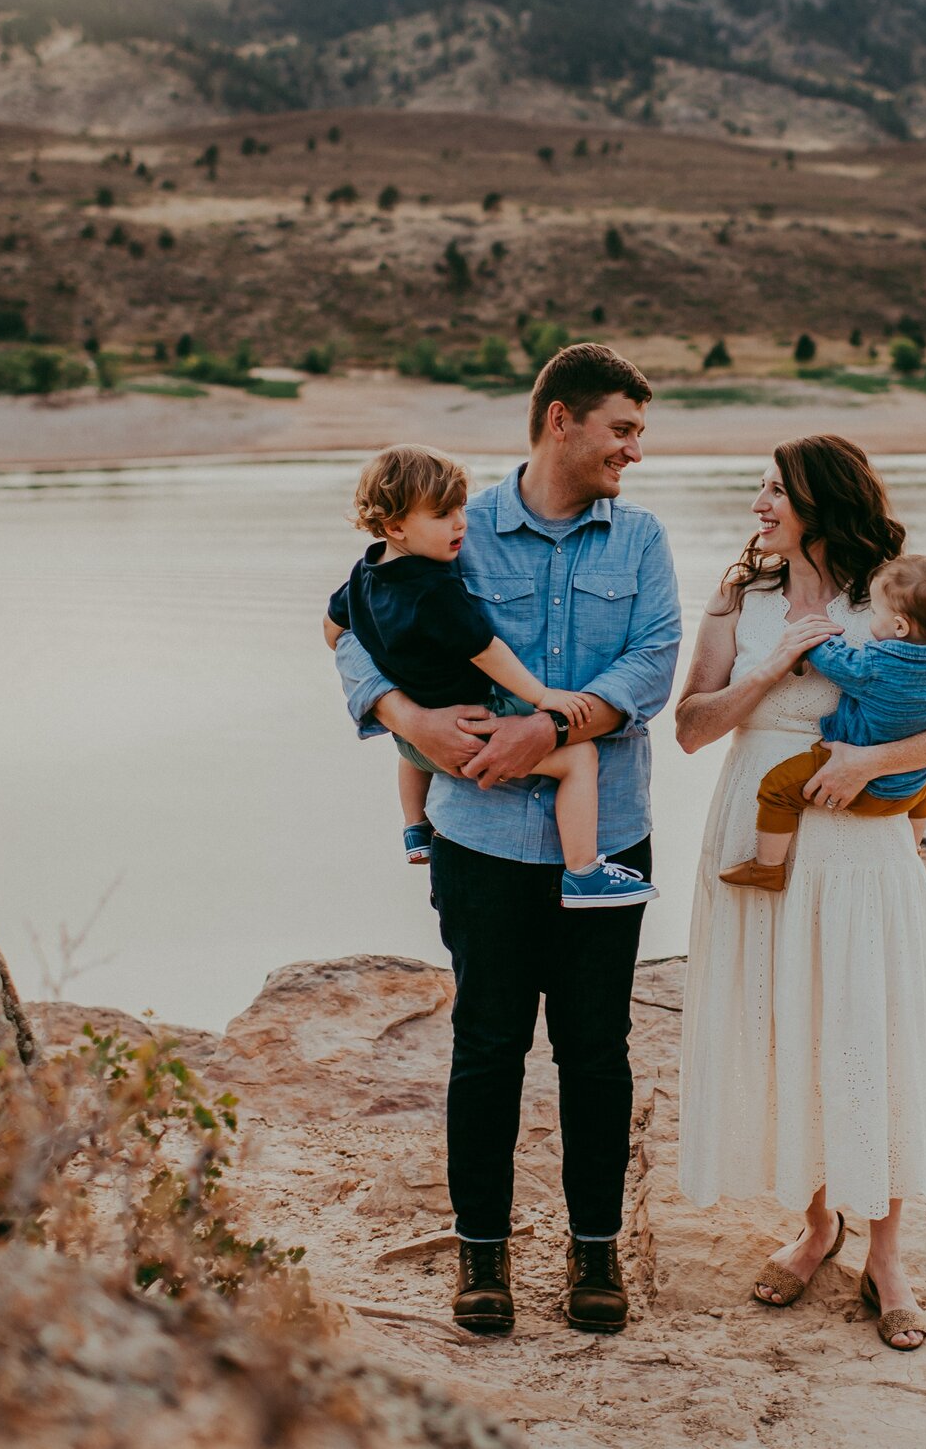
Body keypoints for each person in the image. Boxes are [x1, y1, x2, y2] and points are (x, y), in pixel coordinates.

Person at [331, 344, 680, 1337]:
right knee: (486, 1048)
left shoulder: (641, 538)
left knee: (595, 1052)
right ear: (560, 420)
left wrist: (556, 727)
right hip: (478, 840)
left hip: (604, 836)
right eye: (622, 429)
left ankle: (593, 1256)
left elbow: (654, 659)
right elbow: (354, 630)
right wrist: (410, 718)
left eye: (640, 434)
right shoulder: (453, 524)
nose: (634, 451)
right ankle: (480, 1259)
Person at [671, 435, 926, 1353]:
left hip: (860, 842)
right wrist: (771, 666)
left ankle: (886, 1253)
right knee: (785, 1032)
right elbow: (691, 728)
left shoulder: (892, 592)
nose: (759, 504)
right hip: (756, 830)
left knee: (869, 1030)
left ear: (820, 500)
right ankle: (818, 1226)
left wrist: (869, 761)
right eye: (760, 489)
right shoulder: (744, 599)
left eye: (775, 490)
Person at [323, 442, 655, 907]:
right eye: (442, 514)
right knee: (579, 760)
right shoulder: (435, 589)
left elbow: (334, 628)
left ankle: (415, 828)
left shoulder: (364, 573)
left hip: (416, 745)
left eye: (460, 507)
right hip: (475, 730)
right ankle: (583, 872)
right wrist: (544, 698)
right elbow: (486, 651)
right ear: (396, 525)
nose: (461, 522)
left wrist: (404, 699)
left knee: (410, 740)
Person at [717, 553, 926, 890]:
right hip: (909, 789)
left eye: (876, 614)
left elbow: (833, 660)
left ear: (899, 627)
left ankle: (767, 868)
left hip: (863, 782)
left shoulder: (874, 666)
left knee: (777, 789)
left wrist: (817, 636)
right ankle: (914, 848)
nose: (870, 622)